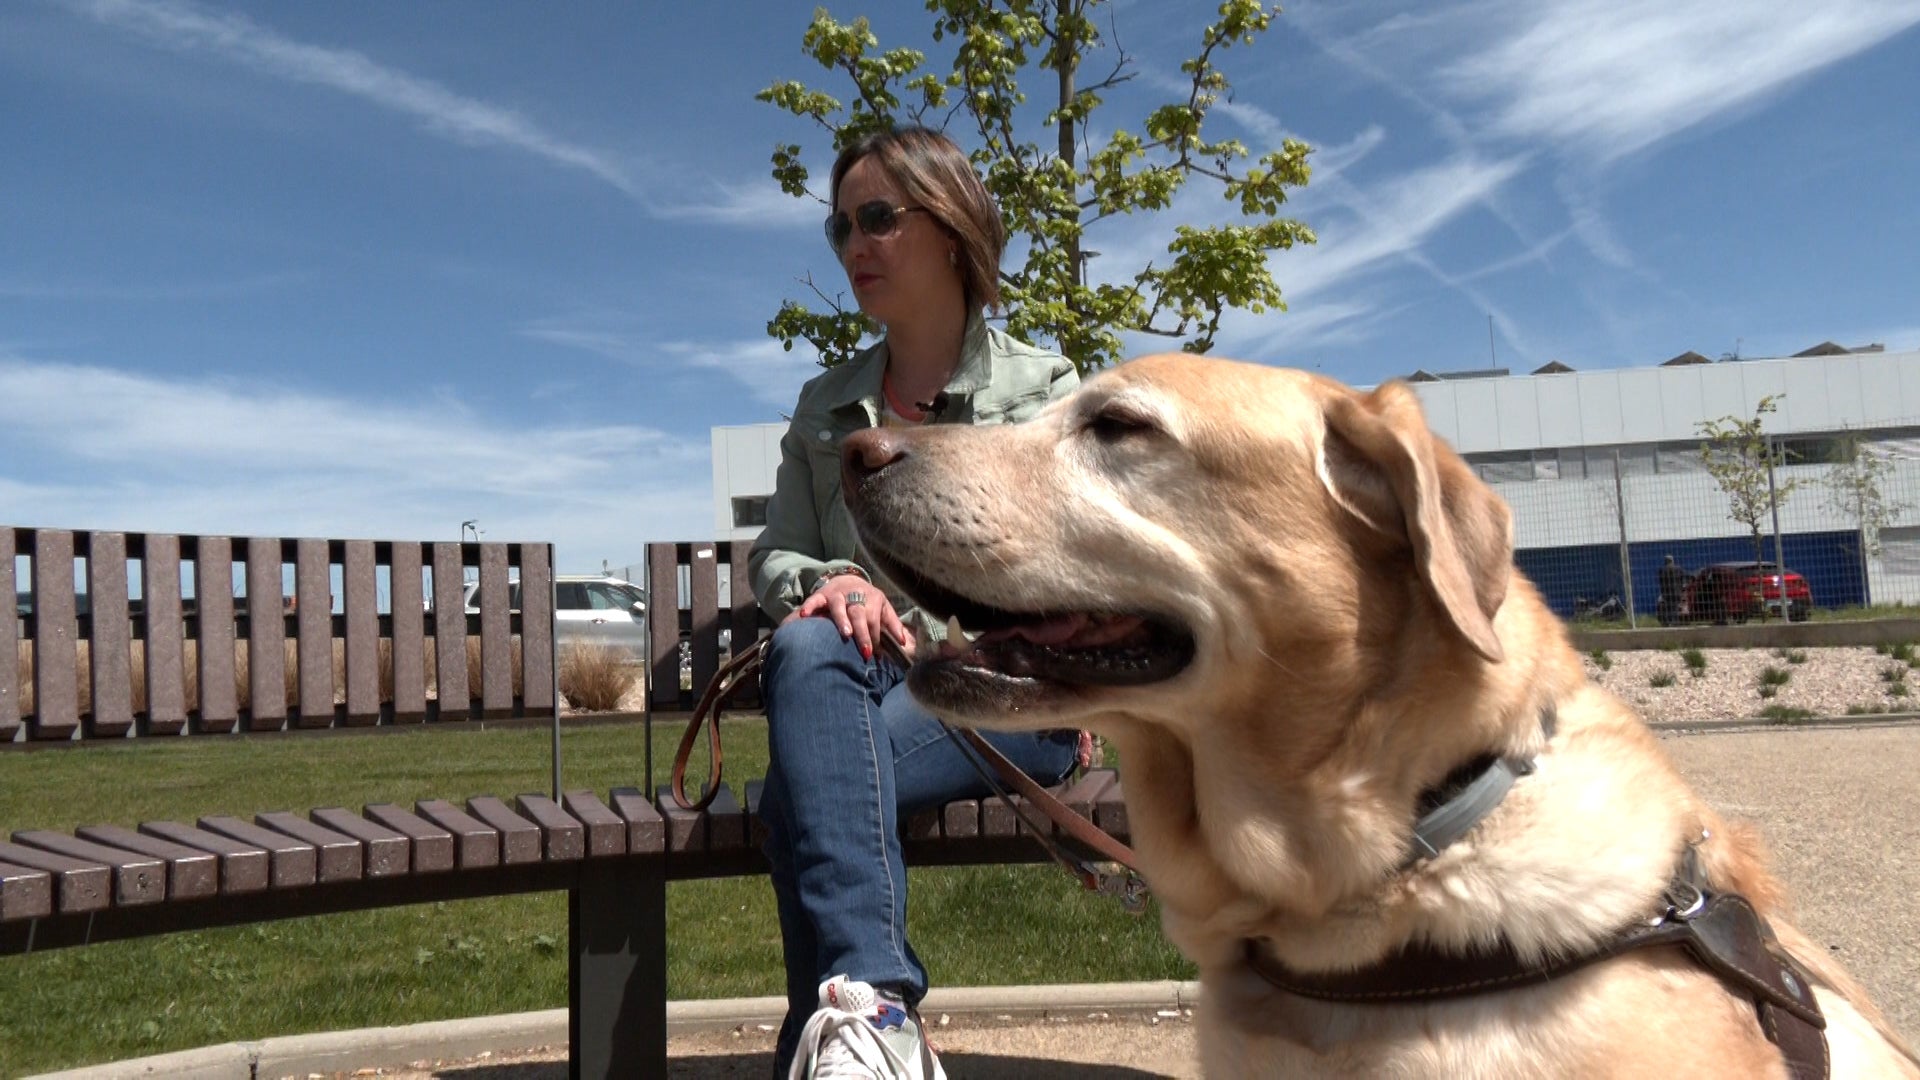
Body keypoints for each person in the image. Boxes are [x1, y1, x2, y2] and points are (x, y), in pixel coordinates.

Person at [748, 125, 1082, 1080]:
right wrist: (830, 584)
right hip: (849, 683)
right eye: (841, 226)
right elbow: (776, 554)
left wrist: (917, 630)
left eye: (880, 218)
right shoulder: (827, 404)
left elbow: (1052, 575)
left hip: (1011, 693)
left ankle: (834, 1037)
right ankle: (876, 1016)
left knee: (799, 792)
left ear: (950, 224)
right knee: (810, 653)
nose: (856, 245)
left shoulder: (1042, 389)